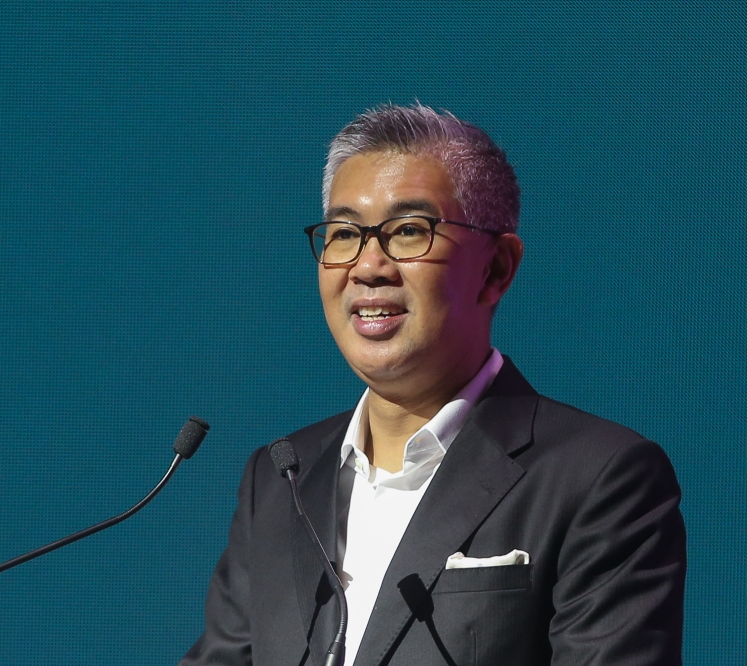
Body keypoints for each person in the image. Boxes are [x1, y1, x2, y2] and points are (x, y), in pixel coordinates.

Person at [180, 104, 685, 665]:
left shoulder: (599, 477)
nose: (369, 266)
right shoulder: (279, 480)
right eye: (345, 234)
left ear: (496, 269)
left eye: (409, 231)